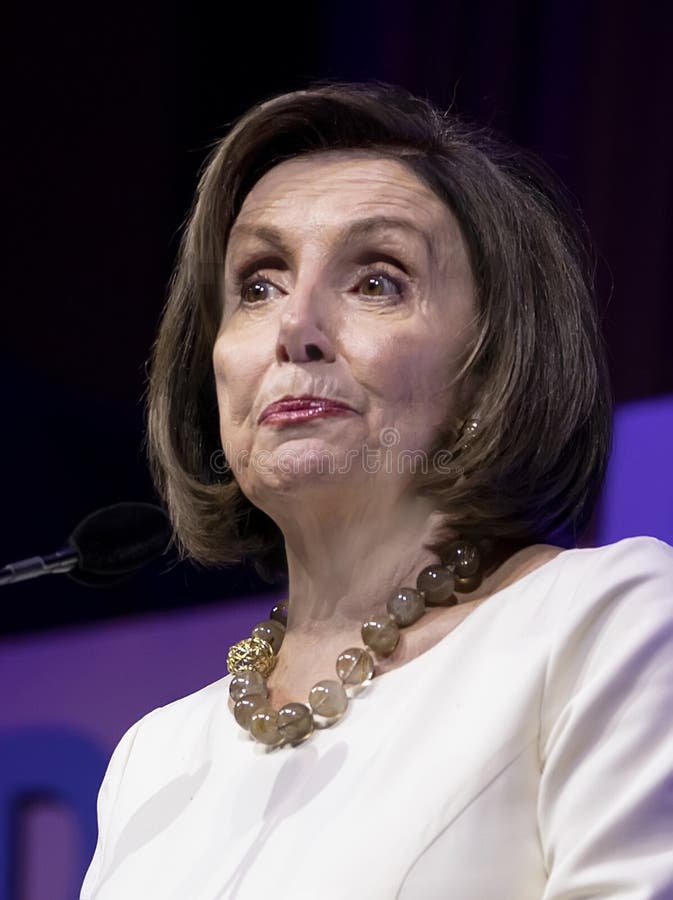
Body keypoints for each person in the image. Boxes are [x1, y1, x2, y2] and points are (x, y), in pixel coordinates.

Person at [80, 82, 673, 899]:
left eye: (376, 281)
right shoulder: (154, 756)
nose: (295, 326)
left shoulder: (607, 621)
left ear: (490, 365)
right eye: (257, 284)